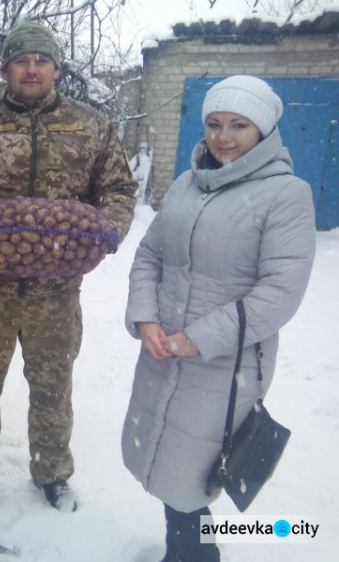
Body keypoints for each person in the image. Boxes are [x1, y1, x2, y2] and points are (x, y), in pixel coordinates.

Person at [0, 20, 137, 514]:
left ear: (57, 68)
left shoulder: (91, 125)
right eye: (22, 60)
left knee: (52, 385)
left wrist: (108, 230)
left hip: (56, 292)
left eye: (42, 60)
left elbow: (119, 191)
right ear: (6, 69)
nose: (32, 68)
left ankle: (52, 472)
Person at [121, 75, 316, 561]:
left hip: (223, 364)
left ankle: (195, 556)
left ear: (264, 130)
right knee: (168, 464)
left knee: (192, 470)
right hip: (164, 349)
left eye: (238, 125)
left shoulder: (286, 195)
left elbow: (279, 293)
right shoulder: (188, 184)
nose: (223, 136)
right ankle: (185, 552)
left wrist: (198, 339)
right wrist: (146, 318)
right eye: (213, 124)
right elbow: (151, 254)